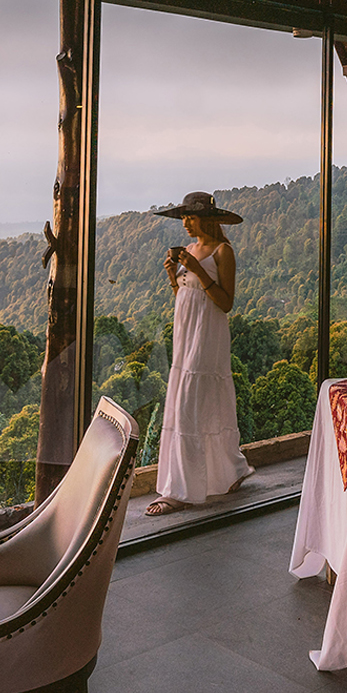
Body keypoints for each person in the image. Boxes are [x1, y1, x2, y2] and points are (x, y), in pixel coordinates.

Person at [146, 191, 255, 516]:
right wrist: (173, 275)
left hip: (208, 335)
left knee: (189, 403)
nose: (185, 222)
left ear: (206, 219)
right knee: (204, 401)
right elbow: (186, 295)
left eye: (189, 217)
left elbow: (224, 303)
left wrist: (196, 268)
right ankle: (230, 470)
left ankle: (179, 490)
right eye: (183, 217)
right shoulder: (190, 250)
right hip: (186, 334)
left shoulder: (223, 252)